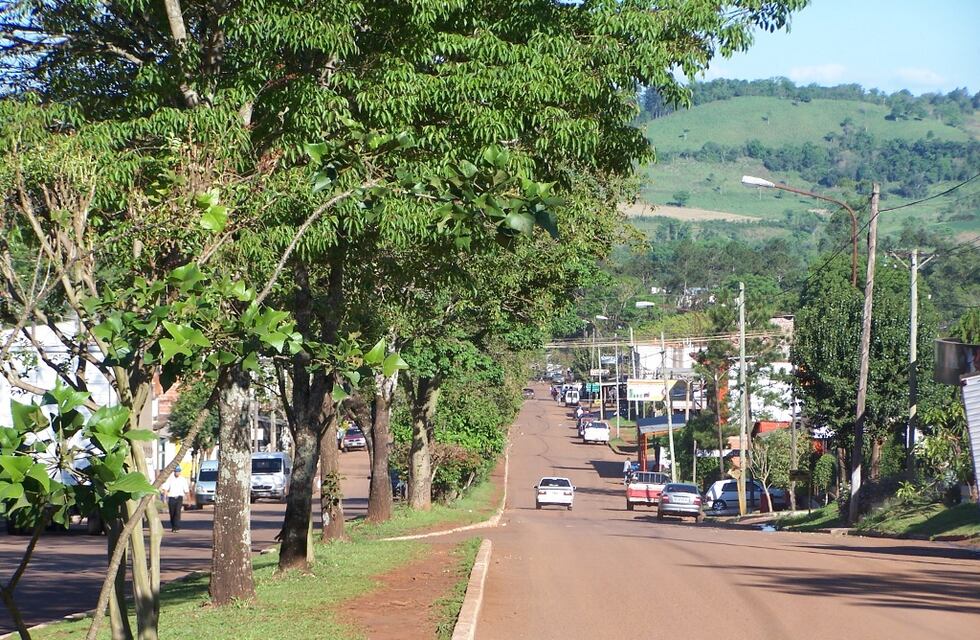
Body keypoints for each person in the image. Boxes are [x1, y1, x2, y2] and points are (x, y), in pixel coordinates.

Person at [161, 466, 190, 533]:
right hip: (171, 497)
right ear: (174, 472)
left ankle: (176, 527)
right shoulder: (170, 479)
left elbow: (186, 491)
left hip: (179, 497)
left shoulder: (183, 480)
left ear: (180, 472)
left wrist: (189, 500)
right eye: (176, 471)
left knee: (177, 512)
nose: (177, 473)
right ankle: (173, 525)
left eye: (178, 471)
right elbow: (165, 489)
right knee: (172, 513)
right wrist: (165, 498)